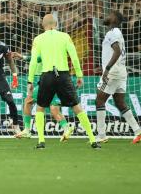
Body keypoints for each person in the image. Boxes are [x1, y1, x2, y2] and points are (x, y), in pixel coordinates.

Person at [27, 14, 99, 149]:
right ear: (56, 24)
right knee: (77, 107)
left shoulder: (38, 39)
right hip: (63, 75)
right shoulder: (65, 36)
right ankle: (93, 140)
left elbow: (32, 61)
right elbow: (74, 56)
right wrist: (79, 75)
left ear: (43, 25)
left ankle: (41, 142)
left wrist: (30, 81)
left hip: (47, 75)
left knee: (40, 107)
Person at [95, 11, 141, 144]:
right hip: (121, 72)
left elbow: (117, 51)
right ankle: (138, 130)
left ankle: (101, 134)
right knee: (120, 102)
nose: (106, 16)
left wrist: (107, 68)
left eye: (109, 15)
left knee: (99, 101)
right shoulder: (117, 32)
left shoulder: (112, 32)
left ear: (114, 19)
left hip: (112, 72)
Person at [12, 52, 73, 141]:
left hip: (46, 79)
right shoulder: (53, 49)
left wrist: (22, 57)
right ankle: (66, 128)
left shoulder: (45, 47)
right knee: (53, 108)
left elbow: (38, 58)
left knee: (28, 101)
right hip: (55, 79)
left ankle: (27, 130)